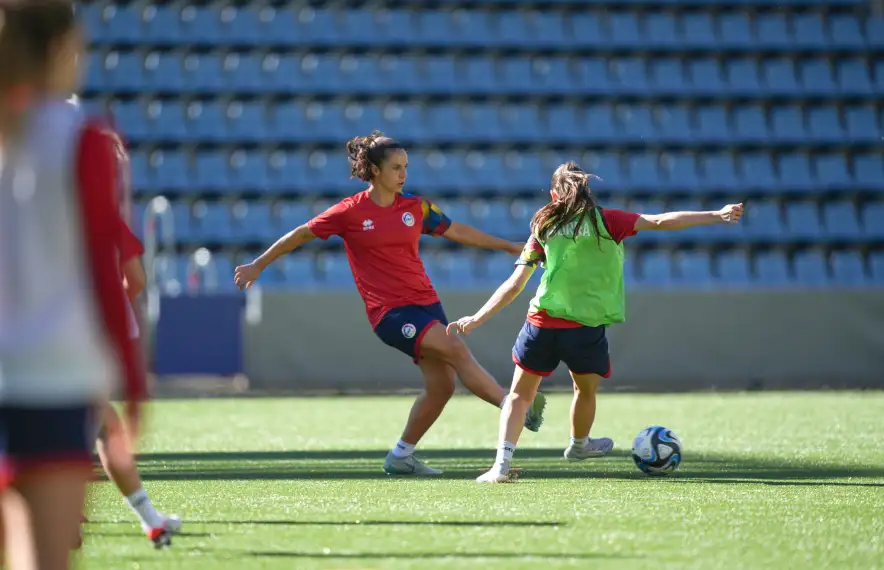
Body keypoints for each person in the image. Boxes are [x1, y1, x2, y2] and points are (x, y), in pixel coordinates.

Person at [234, 131, 547, 475]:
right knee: (456, 348)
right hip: (390, 314)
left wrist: (507, 246)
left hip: (428, 305)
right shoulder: (349, 212)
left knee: (441, 387)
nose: (403, 174)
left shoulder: (416, 207)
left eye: (406, 167)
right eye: (396, 167)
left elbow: (456, 230)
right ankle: (512, 406)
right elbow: (301, 234)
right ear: (374, 170)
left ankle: (401, 456)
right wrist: (258, 265)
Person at [447, 161, 744, 483]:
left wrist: (477, 317)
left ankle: (500, 468)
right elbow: (660, 221)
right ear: (587, 193)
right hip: (585, 328)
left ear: (553, 194)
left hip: (541, 323)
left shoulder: (544, 226)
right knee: (584, 390)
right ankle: (578, 445)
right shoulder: (608, 221)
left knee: (520, 396)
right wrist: (717, 214)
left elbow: (516, 282)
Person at [0, 1, 146, 568]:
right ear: (64, 49)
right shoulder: (83, 137)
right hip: (52, 377)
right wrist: (133, 381)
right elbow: (103, 273)